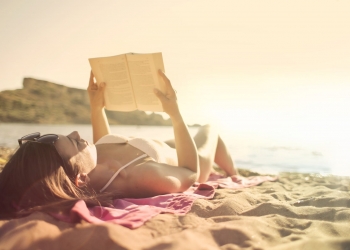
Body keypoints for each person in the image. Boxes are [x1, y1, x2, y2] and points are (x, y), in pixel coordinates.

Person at [0, 70, 237, 219]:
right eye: (74, 142)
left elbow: (102, 143)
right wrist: (175, 114)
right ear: (80, 179)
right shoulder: (138, 176)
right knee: (209, 129)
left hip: (158, 147)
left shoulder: (86, 164)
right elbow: (189, 172)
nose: (76, 132)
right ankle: (234, 174)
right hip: (191, 158)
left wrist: (96, 107)